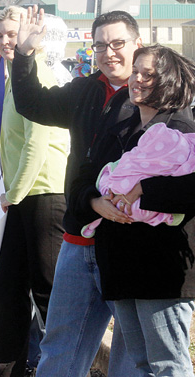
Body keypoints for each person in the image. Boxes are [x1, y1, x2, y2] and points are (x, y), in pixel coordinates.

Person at [10, 6, 143, 377]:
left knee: (130, 354)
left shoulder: (159, 99)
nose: (108, 52)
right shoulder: (86, 89)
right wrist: (24, 55)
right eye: (100, 45)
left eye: (118, 43)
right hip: (77, 241)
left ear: (138, 44)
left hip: (131, 245)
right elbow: (32, 103)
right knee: (60, 346)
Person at [71, 44, 195, 376]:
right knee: (141, 364)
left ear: (167, 80)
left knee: (168, 363)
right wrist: (94, 202)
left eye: (148, 74)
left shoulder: (183, 128)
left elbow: (191, 191)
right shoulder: (121, 121)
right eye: (135, 71)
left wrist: (142, 189)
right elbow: (85, 173)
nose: (136, 79)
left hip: (160, 269)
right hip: (120, 263)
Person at [0, 6, 70, 377]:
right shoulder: (11, 78)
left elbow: (36, 145)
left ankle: (64, 366)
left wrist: (13, 193)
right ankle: (4, 368)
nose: (4, 42)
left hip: (44, 195)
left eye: (11, 34)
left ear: (31, 36)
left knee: (47, 291)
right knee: (9, 287)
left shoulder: (40, 73)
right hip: (20, 196)